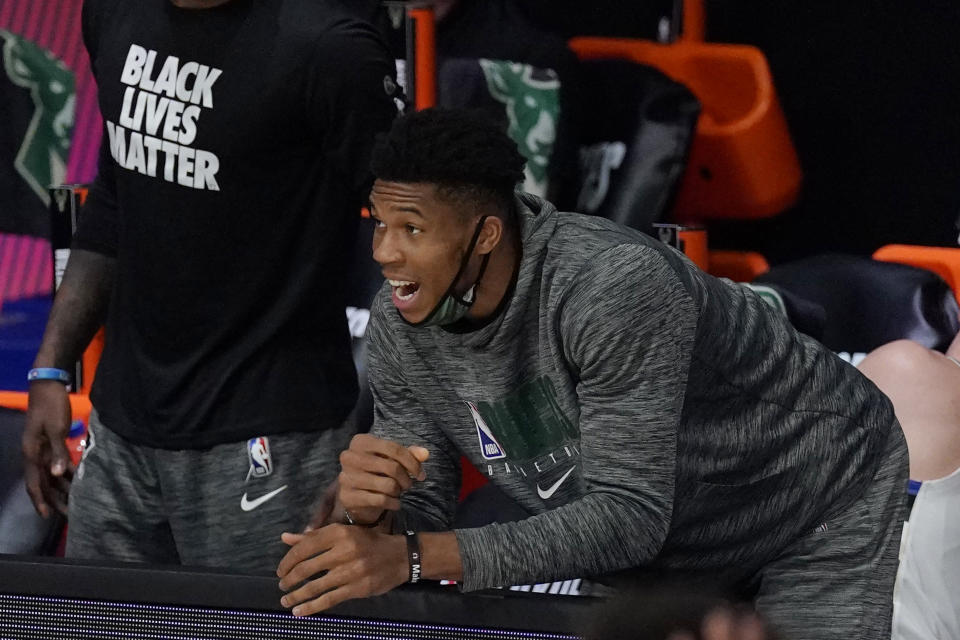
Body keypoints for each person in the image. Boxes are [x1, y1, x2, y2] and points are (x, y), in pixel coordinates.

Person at [276, 108, 908, 639]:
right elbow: (425, 507)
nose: (384, 252)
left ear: (486, 234)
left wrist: (411, 557)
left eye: (412, 229)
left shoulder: (611, 286)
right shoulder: (400, 322)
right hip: (664, 541)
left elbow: (628, 515)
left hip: (812, 498)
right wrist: (372, 517)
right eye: (380, 224)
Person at [22, 0, 397, 573]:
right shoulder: (113, 12)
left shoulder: (330, 45)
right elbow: (118, 194)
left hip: (276, 438)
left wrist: (389, 440)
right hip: (122, 429)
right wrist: (51, 367)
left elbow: (428, 240)